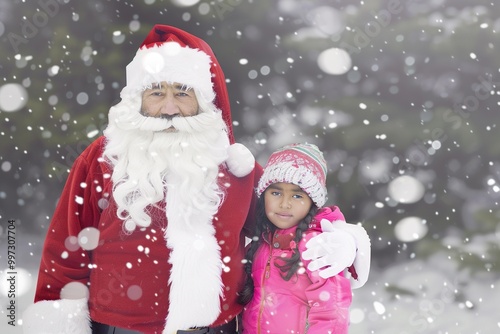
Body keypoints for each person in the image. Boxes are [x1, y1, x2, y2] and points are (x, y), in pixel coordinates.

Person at [22, 25, 370, 334]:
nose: (170, 108)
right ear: (138, 98)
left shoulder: (232, 162)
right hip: (120, 326)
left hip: (213, 328)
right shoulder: (104, 156)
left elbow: (285, 217)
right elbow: (66, 243)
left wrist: (347, 240)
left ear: (203, 100)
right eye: (157, 92)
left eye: (183, 93)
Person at [238, 143, 370, 333]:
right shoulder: (261, 243)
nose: (284, 204)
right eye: (276, 193)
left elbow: (331, 314)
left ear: (312, 202)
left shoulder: (316, 246)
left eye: (297, 196)